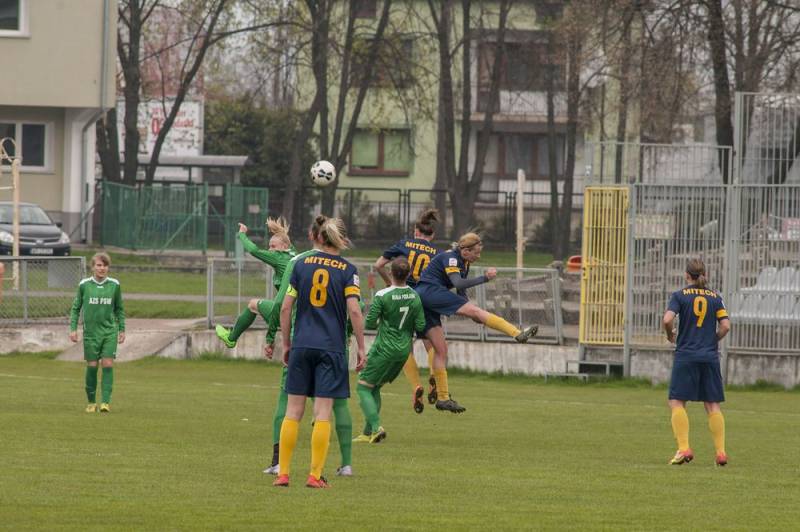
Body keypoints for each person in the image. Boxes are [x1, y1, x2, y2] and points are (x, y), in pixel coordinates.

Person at [273, 217, 365, 489]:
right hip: (331, 348)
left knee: (293, 411)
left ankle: (283, 474)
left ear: (321, 238)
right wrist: (361, 347)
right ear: (342, 241)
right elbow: (355, 310)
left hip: (301, 345)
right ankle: (314, 476)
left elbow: (285, 308)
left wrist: (286, 344)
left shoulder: (301, 265)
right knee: (323, 412)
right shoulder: (348, 270)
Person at [415, 232, 538, 413]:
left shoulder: (463, 262)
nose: (478, 256)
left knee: (441, 350)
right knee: (477, 311)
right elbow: (459, 283)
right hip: (429, 292)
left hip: (424, 300)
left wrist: (473, 315)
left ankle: (443, 398)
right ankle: (517, 333)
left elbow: (461, 292)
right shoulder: (451, 258)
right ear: (465, 251)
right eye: (476, 252)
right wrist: (485, 278)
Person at [662, 258, 731, 466]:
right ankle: (721, 452)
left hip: (686, 355)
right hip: (709, 357)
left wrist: (670, 335)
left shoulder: (680, 296)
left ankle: (684, 449)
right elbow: (726, 326)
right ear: (704, 275)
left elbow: (667, 319)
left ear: (686, 275)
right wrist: (713, 339)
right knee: (712, 404)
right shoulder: (715, 297)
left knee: (677, 401)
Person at [373, 208, 440, 414]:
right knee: (430, 343)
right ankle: (433, 374)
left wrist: (389, 283)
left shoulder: (404, 244)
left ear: (415, 231)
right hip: (426, 298)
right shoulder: (436, 253)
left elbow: (378, 265)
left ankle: (416, 386)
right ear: (432, 235)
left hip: (403, 296)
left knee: (405, 345)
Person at [354, 258, 426, 443]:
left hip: (384, 348)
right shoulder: (415, 296)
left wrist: (385, 320)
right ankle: (367, 433)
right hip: (403, 351)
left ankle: (376, 428)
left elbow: (370, 323)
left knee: (362, 387)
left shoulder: (382, 295)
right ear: (408, 275)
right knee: (375, 387)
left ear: (390, 273)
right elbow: (421, 325)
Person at [215, 217, 296, 348]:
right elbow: (285, 239)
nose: (270, 250)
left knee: (252, 305)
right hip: (299, 313)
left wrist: (242, 234)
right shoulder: (294, 254)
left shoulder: (278, 257)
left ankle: (231, 339)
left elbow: (254, 250)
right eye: (269, 246)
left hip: (286, 312)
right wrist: (278, 231)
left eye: (273, 246)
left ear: (284, 247)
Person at [69, 252, 125, 413]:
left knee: (107, 363)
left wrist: (122, 329)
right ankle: (91, 402)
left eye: (105, 265)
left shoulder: (114, 285)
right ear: (93, 267)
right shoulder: (84, 285)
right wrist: (73, 328)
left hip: (109, 332)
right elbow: (76, 308)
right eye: (99, 265)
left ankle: (105, 403)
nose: (102, 268)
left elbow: (119, 309)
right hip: (91, 334)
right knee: (92, 366)